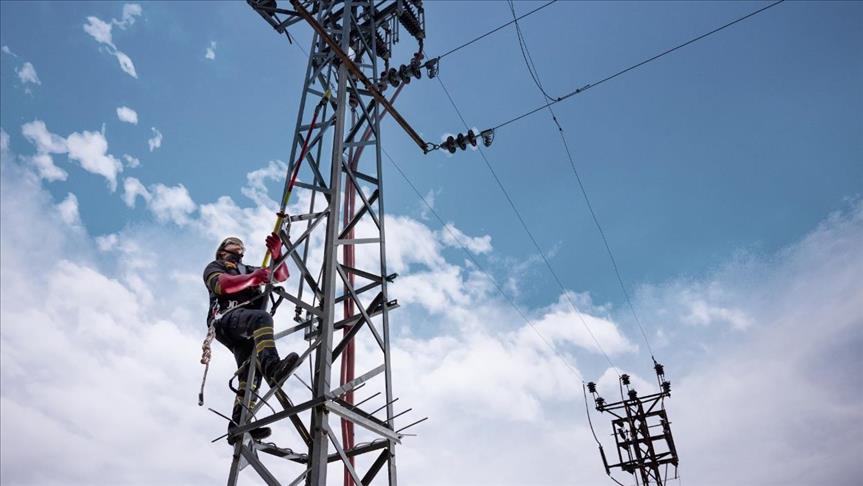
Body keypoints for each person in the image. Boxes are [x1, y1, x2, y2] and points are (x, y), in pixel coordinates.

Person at [203, 233, 297, 444]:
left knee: (250, 374)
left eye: (241, 247)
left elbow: (280, 275)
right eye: (234, 245)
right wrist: (253, 279)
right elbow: (223, 285)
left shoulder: (248, 269)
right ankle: (273, 367)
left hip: (243, 327)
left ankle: (239, 425)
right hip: (227, 319)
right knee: (261, 319)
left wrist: (277, 254)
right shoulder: (215, 267)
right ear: (222, 250)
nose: (239, 248)